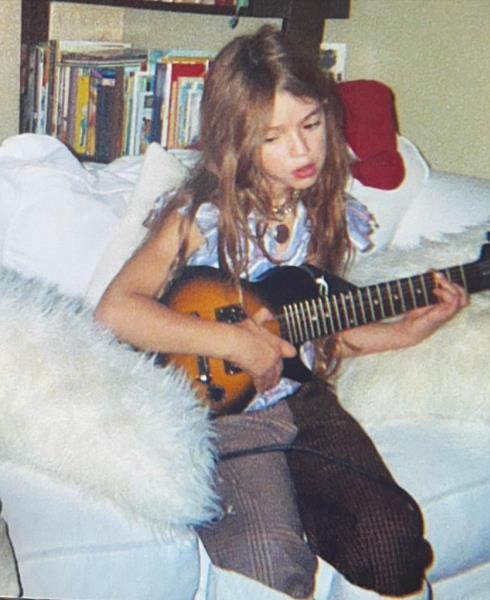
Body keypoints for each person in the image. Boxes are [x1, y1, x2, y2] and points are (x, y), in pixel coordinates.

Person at [95, 25, 468, 600]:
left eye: (312, 125)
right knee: (269, 570)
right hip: (224, 413)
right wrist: (233, 345)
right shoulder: (201, 217)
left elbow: (314, 330)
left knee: (392, 544)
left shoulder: (322, 210)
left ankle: (312, 511)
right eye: (274, 137)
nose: (302, 150)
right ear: (236, 141)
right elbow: (116, 311)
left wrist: (403, 332)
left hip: (301, 397)